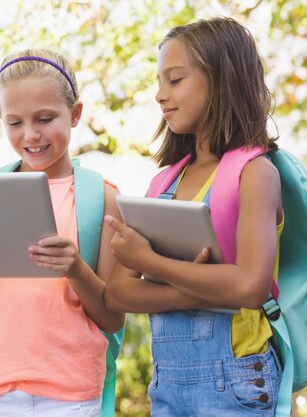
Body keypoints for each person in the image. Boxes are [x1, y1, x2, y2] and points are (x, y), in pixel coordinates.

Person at [0, 49, 126, 417]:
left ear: (76, 114)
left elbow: (113, 319)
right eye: (14, 122)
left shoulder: (103, 198)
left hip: (70, 395)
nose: (30, 134)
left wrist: (75, 268)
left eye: (45, 118)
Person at [103, 17, 284, 416]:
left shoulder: (255, 174)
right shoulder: (162, 184)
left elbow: (251, 287)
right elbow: (117, 293)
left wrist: (151, 263)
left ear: (222, 81)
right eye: (159, 81)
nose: (159, 95)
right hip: (167, 386)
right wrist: (205, 289)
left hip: (238, 384)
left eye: (175, 80)